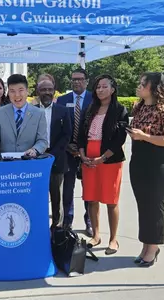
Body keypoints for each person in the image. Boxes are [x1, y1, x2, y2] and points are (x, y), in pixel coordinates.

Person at [127, 72, 164, 267]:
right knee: (143, 206)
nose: (139, 86)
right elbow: (139, 132)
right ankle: (146, 245)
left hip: (158, 162)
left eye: (143, 84)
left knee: (155, 206)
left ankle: (153, 247)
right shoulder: (139, 106)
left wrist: (144, 136)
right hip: (139, 160)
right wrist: (134, 134)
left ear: (154, 87)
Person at [78, 75, 128, 255]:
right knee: (91, 198)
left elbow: (120, 138)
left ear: (113, 90)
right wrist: (82, 154)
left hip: (109, 159)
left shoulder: (120, 110)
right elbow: (81, 135)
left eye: (104, 86)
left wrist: (103, 158)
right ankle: (96, 235)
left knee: (110, 200)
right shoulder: (90, 109)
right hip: (88, 158)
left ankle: (113, 239)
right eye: (98, 87)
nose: (100, 90)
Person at [56, 68, 93, 237]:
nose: (76, 82)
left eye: (80, 79)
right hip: (68, 152)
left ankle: (90, 221)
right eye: (73, 79)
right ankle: (67, 221)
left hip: (89, 152)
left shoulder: (95, 99)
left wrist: (83, 148)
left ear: (86, 80)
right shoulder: (62, 100)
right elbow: (58, 127)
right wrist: (67, 145)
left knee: (89, 189)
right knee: (68, 189)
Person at [35, 80, 72, 229]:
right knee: (38, 197)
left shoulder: (63, 111)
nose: (47, 92)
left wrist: (53, 154)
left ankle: (57, 228)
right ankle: (39, 227)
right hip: (36, 160)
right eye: (43, 89)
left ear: (54, 91)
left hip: (57, 160)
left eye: (50, 89)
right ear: (38, 92)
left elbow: (67, 135)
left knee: (57, 198)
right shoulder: (31, 110)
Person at [0, 74, 48, 157]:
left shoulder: (39, 113)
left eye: (20, 90)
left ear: (27, 91)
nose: (17, 95)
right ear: (8, 93)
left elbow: (42, 140)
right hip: (5, 163)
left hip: (30, 163)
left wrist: (35, 150)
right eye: (12, 91)